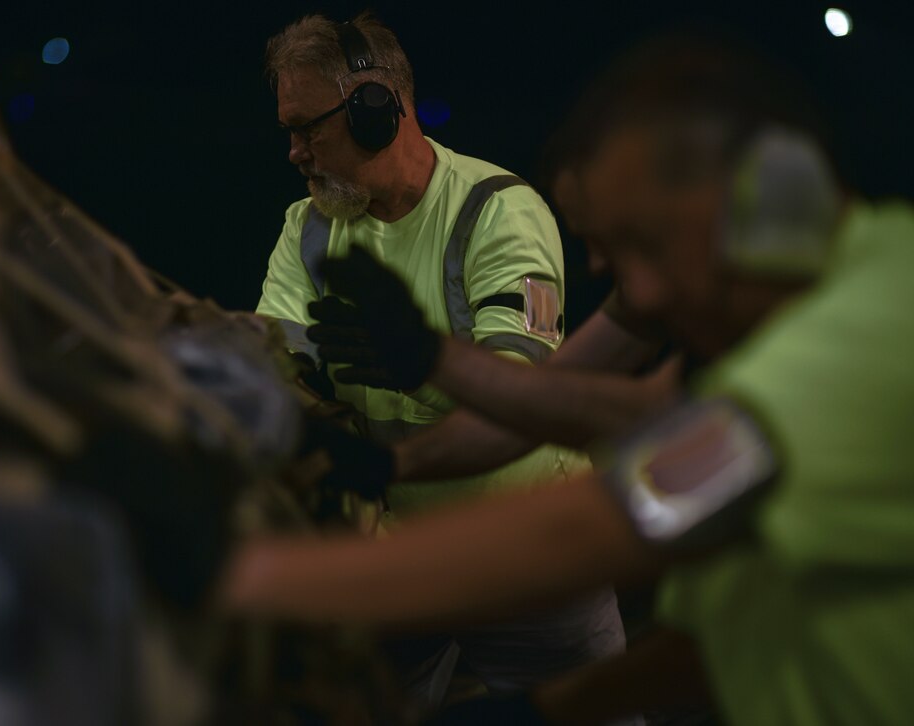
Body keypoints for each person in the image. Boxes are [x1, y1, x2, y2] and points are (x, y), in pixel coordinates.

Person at [227, 34, 914, 724]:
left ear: (778, 197)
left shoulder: (875, 328)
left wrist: (244, 577)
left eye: (648, 244)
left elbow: (613, 517)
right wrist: (557, 707)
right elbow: (614, 411)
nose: (636, 295)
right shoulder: (764, 337)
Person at [254, 11, 628, 709]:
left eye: (310, 128)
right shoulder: (307, 226)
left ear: (376, 110)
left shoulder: (497, 211)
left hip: (533, 552)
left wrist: (421, 371)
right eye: (290, 131)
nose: (296, 152)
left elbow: (525, 397)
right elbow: (276, 358)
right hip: (401, 549)